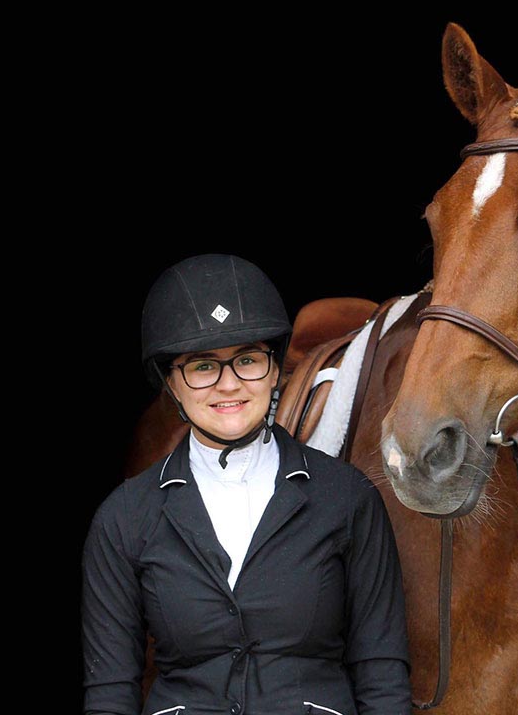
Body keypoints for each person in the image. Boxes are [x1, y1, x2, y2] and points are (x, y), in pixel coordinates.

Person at [82, 254, 411, 715]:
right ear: (172, 384)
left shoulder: (348, 499)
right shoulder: (123, 518)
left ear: (275, 370)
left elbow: (382, 674)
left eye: (247, 360)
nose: (228, 385)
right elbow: (110, 690)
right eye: (202, 367)